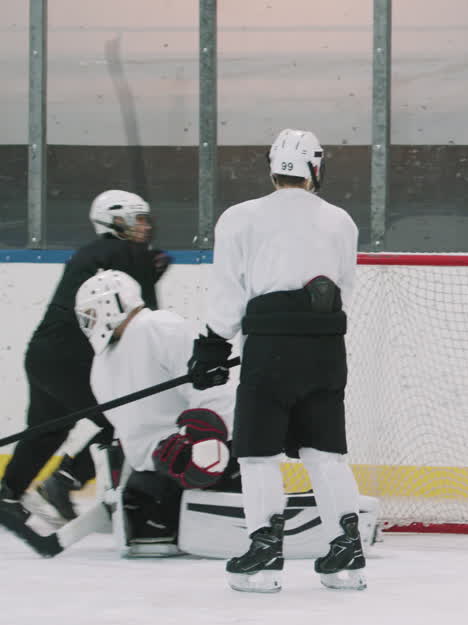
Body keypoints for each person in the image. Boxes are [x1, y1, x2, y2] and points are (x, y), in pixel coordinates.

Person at [188, 128, 365, 593]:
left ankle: (265, 551)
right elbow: (344, 288)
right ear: (314, 167)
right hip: (326, 350)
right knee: (324, 452)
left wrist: (214, 344)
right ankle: (346, 549)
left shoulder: (240, 218)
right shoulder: (341, 221)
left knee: (258, 453)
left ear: (273, 167)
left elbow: (228, 289)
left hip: (269, 352)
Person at [0, 190, 168, 530]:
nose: (144, 226)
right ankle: (65, 480)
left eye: (144, 219)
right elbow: (141, 316)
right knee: (123, 420)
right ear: (113, 221)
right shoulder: (130, 253)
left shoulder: (94, 253)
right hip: (71, 357)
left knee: (47, 429)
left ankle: (8, 494)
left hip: (43, 354)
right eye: (136, 219)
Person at [75, 270, 239, 556]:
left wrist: (207, 442)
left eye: (91, 314)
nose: (89, 324)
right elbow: (212, 388)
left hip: (179, 468)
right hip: (177, 469)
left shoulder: (153, 328)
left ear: (113, 303)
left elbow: (210, 388)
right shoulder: (106, 361)